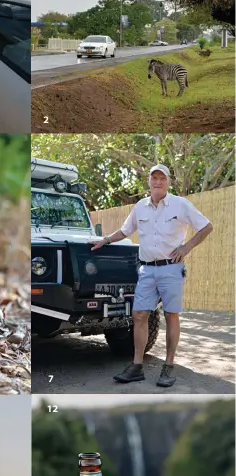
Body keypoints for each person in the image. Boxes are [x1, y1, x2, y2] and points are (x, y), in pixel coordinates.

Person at [90, 164, 213, 387]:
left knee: (171, 315)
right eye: (154, 178)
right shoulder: (140, 207)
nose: (157, 182)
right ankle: (136, 365)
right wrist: (105, 240)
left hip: (171, 269)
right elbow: (125, 231)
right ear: (149, 181)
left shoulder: (180, 204)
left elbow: (206, 227)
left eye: (162, 178)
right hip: (146, 269)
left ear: (168, 182)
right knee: (139, 315)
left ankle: (168, 366)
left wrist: (186, 248)